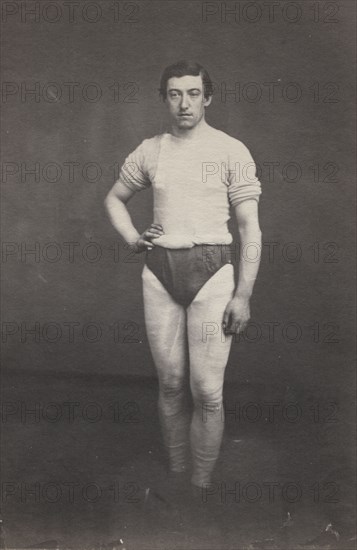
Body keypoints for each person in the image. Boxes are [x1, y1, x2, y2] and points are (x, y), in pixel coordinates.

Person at [105, 60, 262, 491]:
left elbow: (249, 227)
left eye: (193, 93)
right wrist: (134, 238)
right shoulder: (151, 149)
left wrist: (243, 294)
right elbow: (115, 198)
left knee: (207, 390)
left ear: (207, 97)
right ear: (165, 99)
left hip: (213, 273)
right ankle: (176, 473)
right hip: (159, 272)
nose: (184, 103)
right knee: (171, 383)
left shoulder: (231, 150)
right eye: (174, 94)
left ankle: (202, 484)